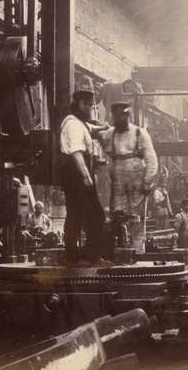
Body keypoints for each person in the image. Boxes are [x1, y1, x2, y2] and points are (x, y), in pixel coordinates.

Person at [59, 90, 108, 266]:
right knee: (95, 216)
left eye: (90, 105)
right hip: (76, 174)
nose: (89, 108)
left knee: (76, 215)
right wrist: (86, 176)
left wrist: (103, 128)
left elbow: (90, 129)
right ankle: (89, 257)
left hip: (75, 175)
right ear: (77, 104)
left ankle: (77, 256)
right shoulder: (72, 124)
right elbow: (76, 153)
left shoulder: (80, 123)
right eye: (86, 105)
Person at [101, 101, 158, 217]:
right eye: (116, 116)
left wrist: (147, 181)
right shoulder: (110, 134)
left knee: (136, 216)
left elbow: (151, 159)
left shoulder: (140, 133)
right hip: (118, 181)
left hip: (137, 180)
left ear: (128, 115)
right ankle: (121, 234)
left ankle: (137, 234)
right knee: (119, 214)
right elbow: (106, 158)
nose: (119, 119)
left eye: (122, 115)